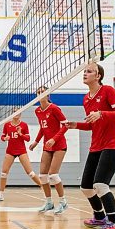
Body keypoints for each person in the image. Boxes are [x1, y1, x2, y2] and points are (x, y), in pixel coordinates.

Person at [66, 63, 115, 229]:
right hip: (96, 146)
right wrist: (76, 125)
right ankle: (100, 217)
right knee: (86, 186)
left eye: (89, 71)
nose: (85, 73)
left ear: (98, 76)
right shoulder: (86, 99)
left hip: (113, 145)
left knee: (100, 184)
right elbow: (93, 125)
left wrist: (102, 113)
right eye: (85, 71)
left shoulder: (108, 91)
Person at [28, 86, 69, 214]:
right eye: (38, 93)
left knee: (53, 175)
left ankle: (63, 202)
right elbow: (42, 128)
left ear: (48, 95)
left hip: (59, 145)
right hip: (47, 145)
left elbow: (65, 125)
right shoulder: (38, 111)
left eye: (43, 92)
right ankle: (49, 202)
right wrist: (36, 141)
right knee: (42, 175)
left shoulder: (54, 108)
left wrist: (54, 139)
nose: (40, 94)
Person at [0, 111, 41, 201]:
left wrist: (20, 134)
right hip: (10, 151)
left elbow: (28, 139)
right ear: (12, 114)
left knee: (30, 172)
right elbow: (2, 137)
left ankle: (43, 187)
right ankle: (0, 194)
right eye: (15, 113)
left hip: (21, 151)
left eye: (18, 113)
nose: (16, 114)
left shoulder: (24, 125)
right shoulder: (7, 125)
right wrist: (5, 138)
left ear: (20, 114)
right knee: (4, 172)